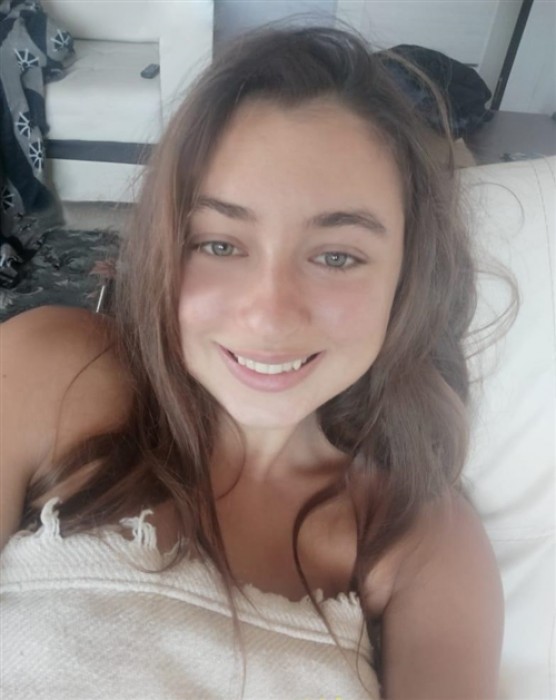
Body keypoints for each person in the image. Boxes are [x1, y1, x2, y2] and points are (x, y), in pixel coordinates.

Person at [0, 25, 505, 699]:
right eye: (219, 244)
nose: (269, 316)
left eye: (337, 257)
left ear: (407, 280)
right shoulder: (50, 370)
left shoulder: (422, 541)